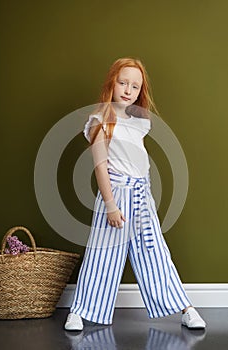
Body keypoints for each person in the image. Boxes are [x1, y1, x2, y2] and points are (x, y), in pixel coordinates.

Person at [64, 57, 206, 331]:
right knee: (102, 256)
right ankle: (79, 311)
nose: (129, 90)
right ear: (112, 84)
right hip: (115, 194)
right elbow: (101, 167)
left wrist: (148, 199)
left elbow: (140, 161)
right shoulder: (100, 121)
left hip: (142, 196)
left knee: (155, 253)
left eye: (135, 86)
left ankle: (185, 308)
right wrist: (110, 205)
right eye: (123, 83)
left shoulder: (140, 123)